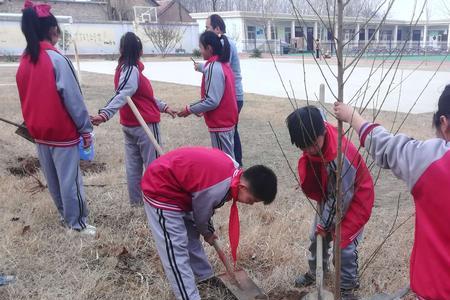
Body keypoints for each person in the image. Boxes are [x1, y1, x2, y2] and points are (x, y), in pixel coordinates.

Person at [333, 86, 450, 300]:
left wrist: (352, 116)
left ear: (444, 123)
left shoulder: (432, 161)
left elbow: (385, 146)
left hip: (437, 290)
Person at [141, 146, 277, 300]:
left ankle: (204, 276)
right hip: (161, 190)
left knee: (192, 235)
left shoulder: (233, 168)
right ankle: (188, 296)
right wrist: (207, 232)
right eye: (251, 200)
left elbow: (200, 215)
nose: (250, 204)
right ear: (242, 187)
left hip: (183, 189)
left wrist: (207, 231)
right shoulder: (217, 188)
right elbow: (201, 216)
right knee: (175, 248)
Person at [16, 0, 95, 235]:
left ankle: (65, 217)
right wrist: (85, 128)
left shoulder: (24, 61)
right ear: (53, 31)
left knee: (54, 181)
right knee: (70, 181)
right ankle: (77, 224)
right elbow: (73, 99)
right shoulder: (58, 60)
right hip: (62, 132)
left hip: (39, 133)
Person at [286, 106, 374, 299]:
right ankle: (316, 271)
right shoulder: (315, 130)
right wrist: (323, 225)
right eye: (303, 146)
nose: (309, 150)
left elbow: (341, 198)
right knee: (316, 236)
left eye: (312, 144)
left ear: (323, 131)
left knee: (343, 244)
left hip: (355, 195)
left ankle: (346, 286)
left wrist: (326, 223)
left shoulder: (341, 157)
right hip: (330, 190)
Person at [90, 32, 176, 206]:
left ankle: (137, 203)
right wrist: (105, 114)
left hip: (131, 125)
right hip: (144, 126)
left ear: (122, 49)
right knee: (154, 165)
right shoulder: (131, 70)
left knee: (133, 167)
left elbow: (144, 97)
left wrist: (164, 107)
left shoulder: (125, 70)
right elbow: (124, 94)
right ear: (140, 50)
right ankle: (154, 202)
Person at [194, 14, 244, 166]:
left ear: (217, 28)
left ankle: (234, 169)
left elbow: (219, 72)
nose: (206, 30)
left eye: (208, 27)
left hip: (231, 97)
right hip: (231, 96)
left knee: (228, 138)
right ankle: (236, 168)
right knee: (231, 135)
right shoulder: (224, 45)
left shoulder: (225, 45)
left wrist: (191, 108)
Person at [179, 31, 238, 158]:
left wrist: (189, 109)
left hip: (221, 123)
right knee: (229, 160)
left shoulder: (214, 67)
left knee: (225, 163)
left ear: (209, 48)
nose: (199, 50)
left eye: (201, 47)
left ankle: (233, 178)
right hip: (226, 122)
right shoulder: (223, 65)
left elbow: (212, 100)